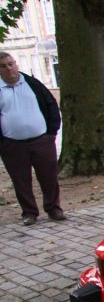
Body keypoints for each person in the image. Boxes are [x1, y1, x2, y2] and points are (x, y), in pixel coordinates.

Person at [0, 51, 66, 226]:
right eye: (4, 66)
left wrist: (52, 132)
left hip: (41, 140)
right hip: (12, 144)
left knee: (49, 176)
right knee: (21, 180)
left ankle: (54, 208)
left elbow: (51, 105)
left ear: (16, 64)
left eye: (11, 63)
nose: (9, 68)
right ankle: (29, 212)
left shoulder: (32, 84)